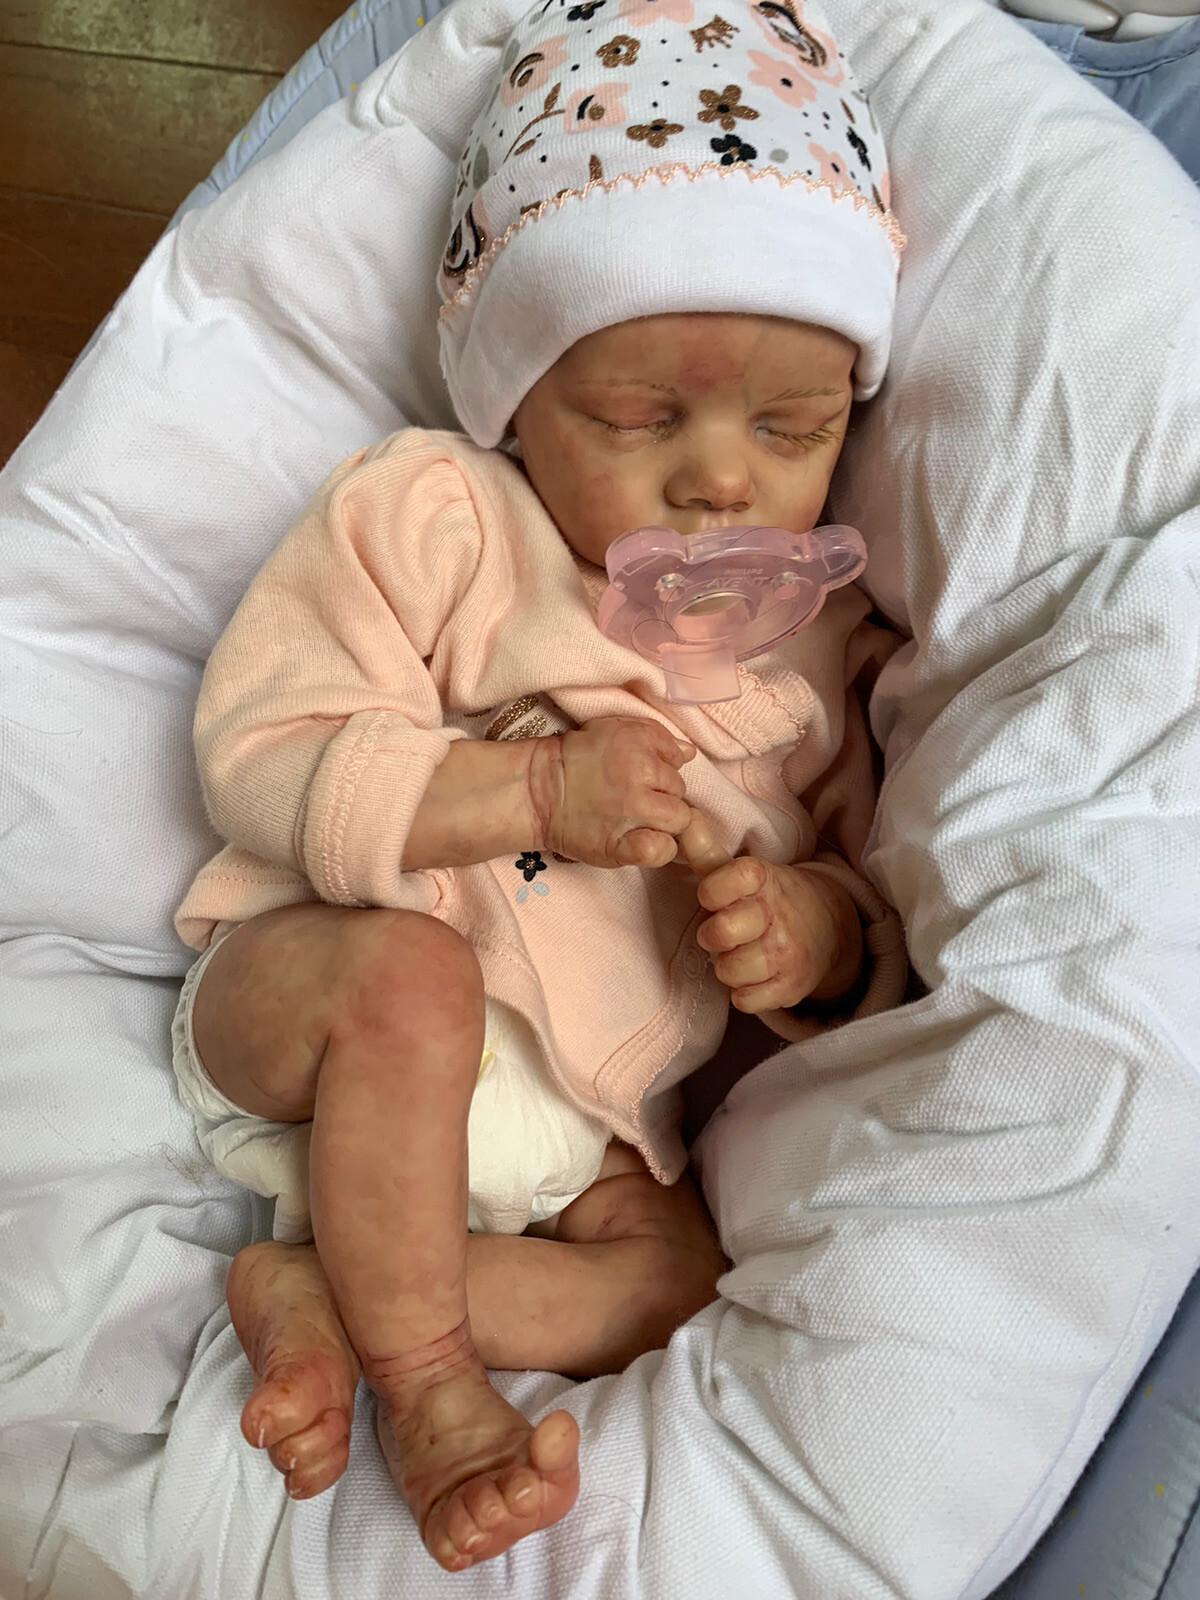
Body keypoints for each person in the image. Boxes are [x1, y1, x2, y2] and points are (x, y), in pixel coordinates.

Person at [169, 0, 908, 1572]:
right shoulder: (445, 517)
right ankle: (434, 1387)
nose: (722, 479)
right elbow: (263, 750)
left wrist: (811, 937)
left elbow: (866, 886)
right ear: (517, 396)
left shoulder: (820, 655)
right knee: (411, 981)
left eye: (794, 428)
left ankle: (327, 1295)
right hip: (307, 1011)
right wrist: (529, 795)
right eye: (640, 419)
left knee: (677, 1283)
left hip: (576, 1131)